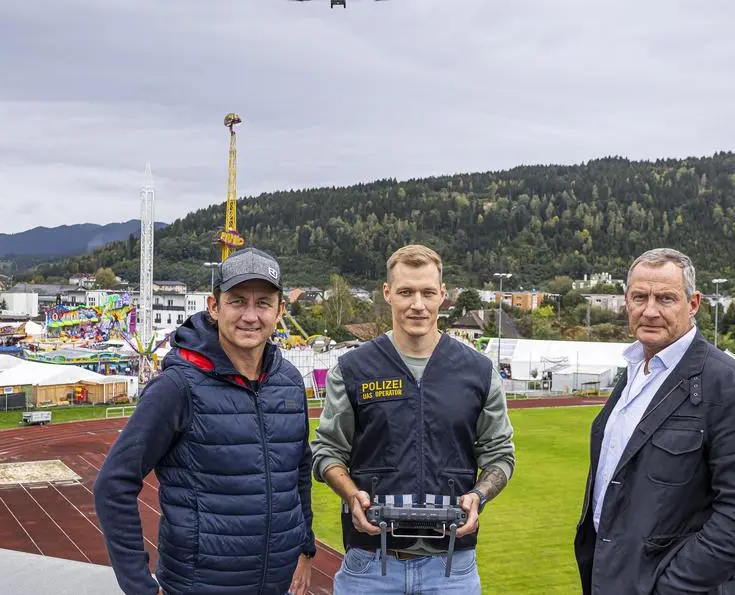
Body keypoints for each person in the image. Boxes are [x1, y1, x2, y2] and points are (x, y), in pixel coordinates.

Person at [94, 247, 316, 595]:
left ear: (280, 311)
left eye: (263, 303)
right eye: (237, 301)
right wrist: (141, 587)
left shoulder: (287, 381)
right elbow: (113, 484)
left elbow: (299, 469)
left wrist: (305, 544)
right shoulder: (177, 387)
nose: (250, 315)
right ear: (214, 307)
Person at [311, 244, 516, 593]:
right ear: (388, 293)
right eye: (406, 292)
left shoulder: (478, 371)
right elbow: (327, 452)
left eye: (427, 292)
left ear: (442, 295)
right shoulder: (353, 369)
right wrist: (351, 496)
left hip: (452, 568)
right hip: (371, 566)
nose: (417, 304)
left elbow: (500, 455)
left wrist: (478, 496)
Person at [574, 248, 735, 593]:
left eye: (665, 298)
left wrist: (670, 586)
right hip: (612, 578)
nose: (649, 310)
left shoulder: (731, 387)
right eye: (640, 297)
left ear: (693, 303)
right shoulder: (635, 372)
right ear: (626, 301)